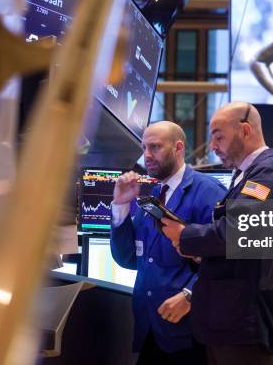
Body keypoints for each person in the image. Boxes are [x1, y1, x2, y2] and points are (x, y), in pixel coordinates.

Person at [162, 102, 273, 365]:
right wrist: (205, 255)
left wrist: (185, 235)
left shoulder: (267, 174)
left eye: (218, 135)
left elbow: (236, 231)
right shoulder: (249, 175)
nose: (213, 146)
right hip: (234, 323)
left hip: (245, 324)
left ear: (245, 130)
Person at [110, 121, 226, 365]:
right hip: (151, 328)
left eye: (155, 147)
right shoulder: (151, 198)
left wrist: (190, 294)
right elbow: (128, 258)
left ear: (178, 148)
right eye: (144, 148)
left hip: (189, 333)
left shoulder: (209, 193)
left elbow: (224, 260)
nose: (147, 156)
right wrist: (120, 206)